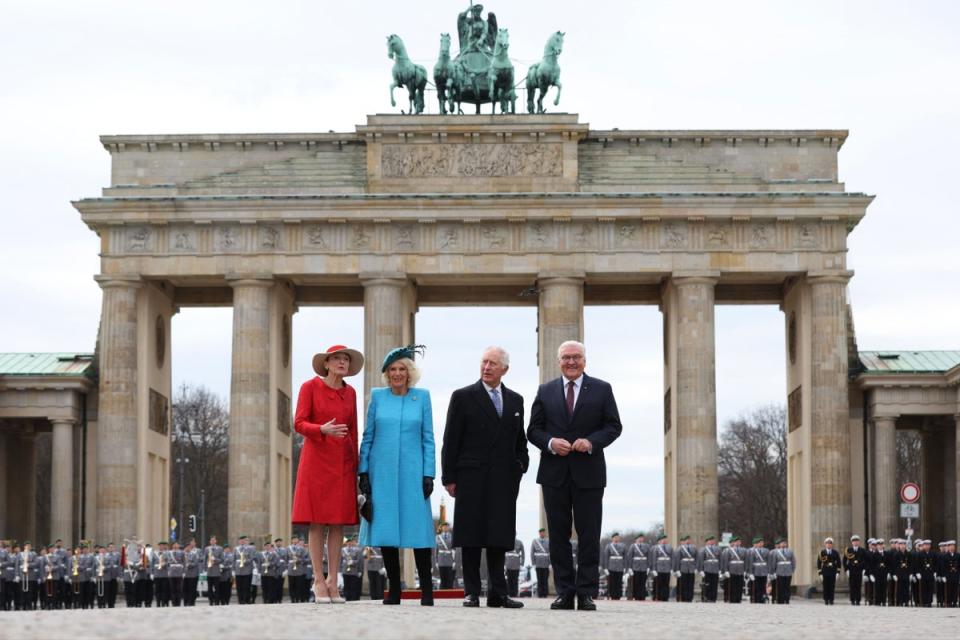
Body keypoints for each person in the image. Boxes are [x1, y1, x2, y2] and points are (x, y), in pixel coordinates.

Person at [526, 340, 622, 612]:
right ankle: (565, 592)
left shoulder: (602, 389)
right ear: (559, 362)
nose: (571, 362)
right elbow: (533, 430)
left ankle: (587, 592)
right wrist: (550, 443)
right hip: (554, 473)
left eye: (576, 357)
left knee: (589, 534)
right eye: (566, 358)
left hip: (589, 473)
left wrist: (591, 442)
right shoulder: (545, 391)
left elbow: (614, 426)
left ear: (584, 361)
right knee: (557, 535)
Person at [442, 346, 528, 609]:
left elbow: (519, 439)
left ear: (505, 369)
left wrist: (520, 465)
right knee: (470, 536)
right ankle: (471, 592)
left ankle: (498, 593)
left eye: (492, 363)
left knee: (499, 537)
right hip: (471, 476)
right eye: (484, 362)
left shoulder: (516, 400)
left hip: (503, 478)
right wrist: (449, 477)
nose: (486, 367)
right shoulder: (463, 396)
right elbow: (451, 439)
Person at [359, 345, 437, 606]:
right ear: (386, 373)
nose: (397, 374)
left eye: (402, 369)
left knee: (419, 532)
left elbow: (428, 438)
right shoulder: (378, 397)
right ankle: (394, 590)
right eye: (392, 369)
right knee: (387, 530)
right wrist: (363, 472)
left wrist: (429, 473)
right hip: (382, 473)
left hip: (414, 473)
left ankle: (427, 590)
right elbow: (367, 436)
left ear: (409, 372)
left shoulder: (422, 397)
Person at [292, 344, 364, 605]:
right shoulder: (309, 387)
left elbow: (354, 431)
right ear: (326, 363)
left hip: (343, 463)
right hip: (317, 460)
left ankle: (334, 581)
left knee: (338, 522)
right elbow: (299, 422)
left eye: (345, 359)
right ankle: (319, 581)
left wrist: (358, 467)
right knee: (317, 522)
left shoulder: (351, 392)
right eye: (337, 359)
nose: (342, 363)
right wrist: (321, 429)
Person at [600, 533, 626, 600]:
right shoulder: (609, 546)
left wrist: (625, 567)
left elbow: (625, 557)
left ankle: (618, 595)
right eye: (615, 537)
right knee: (612, 582)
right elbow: (606, 557)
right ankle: (612, 595)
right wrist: (605, 567)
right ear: (612, 538)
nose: (616, 538)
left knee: (619, 581)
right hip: (611, 566)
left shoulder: (623, 546)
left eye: (618, 537)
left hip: (620, 566)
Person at [720, 536, 746, 603]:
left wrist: (745, 570)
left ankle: (738, 598)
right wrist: (726, 570)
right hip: (732, 569)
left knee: (740, 585)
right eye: (736, 542)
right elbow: (726, 561)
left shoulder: (744, 550)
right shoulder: (728, 550)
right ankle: (732, 599)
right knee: (733, 585)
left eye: (739, 542)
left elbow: (746, 560)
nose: (737, 543)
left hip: (740, 569)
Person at [624, 533, 649, 601]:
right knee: (636, 582)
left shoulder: (646, 546)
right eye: (639, 538)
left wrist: (648, 567)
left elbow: (648, 556)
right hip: (635, 566)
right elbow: (630, 557)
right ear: (636, 539)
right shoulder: (633, 546)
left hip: (644, 566)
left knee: (643, 582)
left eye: (642, 538)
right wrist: (629, 567)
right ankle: (636, 595)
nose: (640, 539)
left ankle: (642, 596)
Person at [672, 535, 697, 602]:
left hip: (691, 568)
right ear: (685, 541)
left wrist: (696, 568)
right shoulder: (680, 548)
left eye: (689, 539)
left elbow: (696, 558)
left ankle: (690, 597)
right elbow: (677, 559)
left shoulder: (694, 548)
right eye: (687, 540)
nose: (688, 541)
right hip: (683, 568)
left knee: (691, 584)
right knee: (684, 584)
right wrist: (677, 569)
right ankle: (684, 597)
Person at [696, 535, 721, 603]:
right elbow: (700, 560)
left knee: (714, 584)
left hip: (715, 569)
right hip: (707, 569)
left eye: (712, 540)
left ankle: (713, 598)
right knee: (706, 584)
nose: (712, 542)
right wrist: (700, 570)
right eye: (710, 540)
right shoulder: (703, 549)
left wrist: (720, 569)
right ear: (707, 542)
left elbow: (720, 559)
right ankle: (706, 597)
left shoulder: (718, 549)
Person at [770, 537, 795, 604]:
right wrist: (774, 571)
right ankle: (780, 599)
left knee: (787, 586)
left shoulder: (790, 551)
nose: (783, 544)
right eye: (782, 543)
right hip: (779, 571)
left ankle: (787, 599)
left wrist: (792, 569)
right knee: (780, 586)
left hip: (788, 571)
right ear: (779, 544)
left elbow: (793, 561)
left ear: (786, 544)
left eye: (784, 543)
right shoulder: (776, 552)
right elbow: (774, 562)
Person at [844, 534, 867, 605]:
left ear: (859, 542)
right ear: (852, 542)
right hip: (851, 570)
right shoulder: (848, 550)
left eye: (857, 541)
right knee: (852, 585)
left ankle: (858, 600)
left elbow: (865, 560)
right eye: (854, 541)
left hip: (859, 570)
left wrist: (864, 569)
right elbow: (845, 560)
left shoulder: (862, 550)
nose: (855, 542)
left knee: (858, 585)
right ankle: (852, 599)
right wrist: (846, 569)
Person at [745, 536, 769, 604]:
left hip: (764, 570)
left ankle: (762, 598)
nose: (762, 543)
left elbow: (768, 561)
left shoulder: (766, 550)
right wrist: (750, 572)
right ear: (756, 543)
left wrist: (769, 572)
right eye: (760, 542)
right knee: (755, 586)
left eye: (762, 542)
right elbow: (749, 562)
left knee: (763, 585)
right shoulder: (751, 551)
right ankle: (755, 599)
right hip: (755, 571)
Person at [817, 537, 840, 605]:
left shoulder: (835, 552)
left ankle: (831, 599)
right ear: (825, 544)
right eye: (827, 543)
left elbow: (838, 563)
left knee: (832, 586)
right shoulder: (822, 552)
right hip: (825, 572)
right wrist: (820, 573)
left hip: (833, 571)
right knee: (825, 586)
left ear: (832, 545)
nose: (829, 545)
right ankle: (826, 599)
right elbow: (819, 563)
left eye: (830, 543)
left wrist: (838, 572)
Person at [650, 534, 673, 602]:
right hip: (659, 567)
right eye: (663, 539)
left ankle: (665, 597)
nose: (664, 540)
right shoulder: (656, 548)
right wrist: (654, 569)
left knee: (666, 583)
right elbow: (654, 558)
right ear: (660, 540)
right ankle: (658, 596)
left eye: (665, 539)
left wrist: (672, 568)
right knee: (658, 583)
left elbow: (672, 558)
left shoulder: (670, 548)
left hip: (667, 567)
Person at [341, 536, 364, 601]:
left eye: (350, 542)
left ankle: (353, 599)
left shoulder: (357, 550)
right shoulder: (343, 550)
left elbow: (359, 561)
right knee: (346, 586)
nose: (349, 544)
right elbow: (340, 560)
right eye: (348, 542)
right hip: (345, 570)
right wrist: (339, 571)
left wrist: (359, 570)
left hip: (354, 571)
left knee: (353, 586)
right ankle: (347, 598)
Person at [234, 536, 256, 605]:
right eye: (240, 540)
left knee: (247, 586)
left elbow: (251, 557)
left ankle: (247, 599)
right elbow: (234, 559)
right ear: (239, 541)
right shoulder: (236, 549)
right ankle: (240, 600)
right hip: (238, 569)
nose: (242, 542)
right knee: (239, 586)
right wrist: (233, 569)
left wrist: (244, 561)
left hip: (247, 569)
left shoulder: (250, 548)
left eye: (243, 540)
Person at [434, 522, 456, 589]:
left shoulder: (452, 537)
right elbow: (436, 550)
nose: (445, 528)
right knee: (442, 577)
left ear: (449, 528)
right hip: (441, 559)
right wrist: (436, 561)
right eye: (444, 527)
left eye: (447, 526)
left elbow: (454, 549)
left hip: (449, 559)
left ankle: (450, 592)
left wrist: (454, 561)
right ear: (442, 528)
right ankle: (442, 591)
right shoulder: (438, 537)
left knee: (449, 577)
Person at [531, 529, 551, 598]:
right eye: (541, 532)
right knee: (539, 579)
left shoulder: (548, 541)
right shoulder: (535, 541)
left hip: (546, 564)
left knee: (545, 579)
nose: (542, 534)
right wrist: (533, 563)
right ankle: (540, 593)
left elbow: (550, 552)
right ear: (539, 533)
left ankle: (545, 594)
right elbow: (532, 553)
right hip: (538, 563)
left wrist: (550, 563)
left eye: (543, 532)